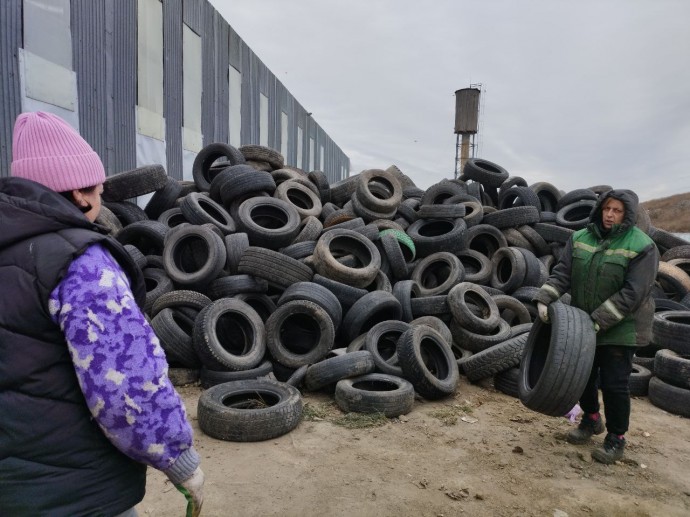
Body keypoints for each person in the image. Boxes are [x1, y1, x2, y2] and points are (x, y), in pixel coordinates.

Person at [0, 111, 204, 515]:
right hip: (75, 490)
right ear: (80, 195)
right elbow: (127, 386)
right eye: (98, 186)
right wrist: (178, 460)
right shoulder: (81, 264)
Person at [533, 189, 658, 464]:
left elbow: (633, 293)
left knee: (614, 384)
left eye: (617, 211)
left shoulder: (642, 245)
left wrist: (599, 320)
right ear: (600, 209)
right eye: (607, 209)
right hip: (582, 323)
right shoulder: (580, 238)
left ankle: (616, 438)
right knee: (582, 377)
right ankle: (590, 420)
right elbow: (563, 273)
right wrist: (545, 297)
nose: (610, 215)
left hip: (622, 327)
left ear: (628, 215)